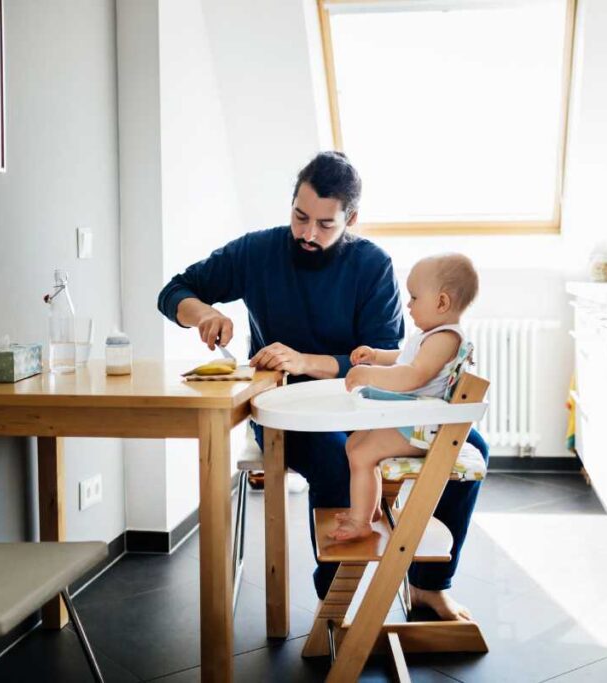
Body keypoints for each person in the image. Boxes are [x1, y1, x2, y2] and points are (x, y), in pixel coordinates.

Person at [157, 151, 487, 621]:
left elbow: (384, 354)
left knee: (471, 444)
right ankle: (336, 605)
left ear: (351, 219)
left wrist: (308, 360)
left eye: (325, 224)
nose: (308, 233)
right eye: (299, 216)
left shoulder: (372, 264)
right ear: (291, 204)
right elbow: (174, 290)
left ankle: (428, 586)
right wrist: (203, 313)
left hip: (368, 407)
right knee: (335, 457)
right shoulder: (257, 252)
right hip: (285, 413)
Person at [331, 254, 478, 541]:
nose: (408, 305)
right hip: (413, 421)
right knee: (355, 444)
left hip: (423, 429)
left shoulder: (444, 338)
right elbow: (404, 359)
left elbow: (413, 375)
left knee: (363, 453)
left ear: (442, 302)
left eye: (413, 297)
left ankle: (361, 520)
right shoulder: (431, 336)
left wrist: (368, 374)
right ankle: (368, 509)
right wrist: (376, 356)